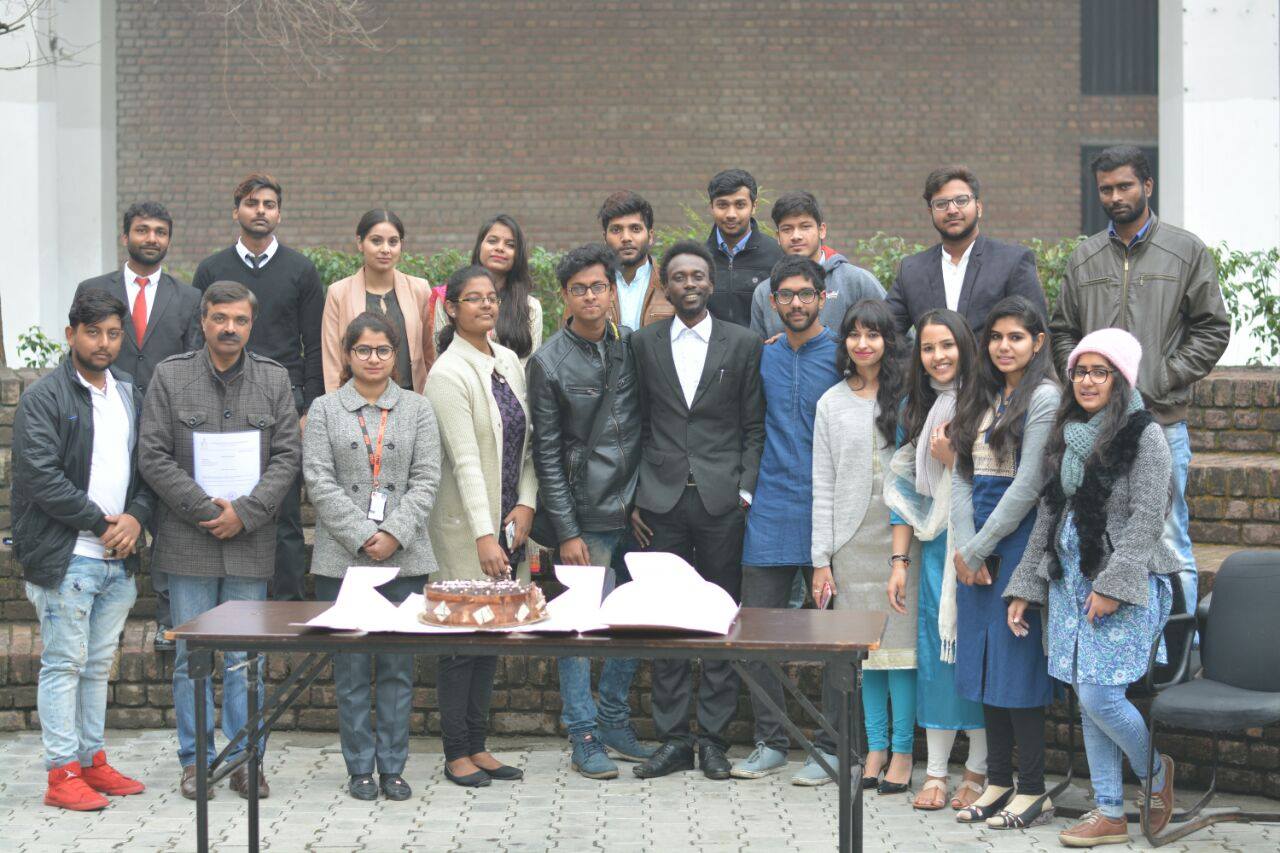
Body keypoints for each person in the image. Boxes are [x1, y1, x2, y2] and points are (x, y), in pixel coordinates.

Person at [1005, 328, 1178, 846]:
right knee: (1086, 696)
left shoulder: (1143, 434)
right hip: (1069, 582)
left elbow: (1149, 517)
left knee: (1102, 695)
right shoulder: (1070, 433)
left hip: (1124, 581)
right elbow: (1048, 515)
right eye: (1080, 370)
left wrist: (1113, 585)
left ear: (1120, 378)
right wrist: (1026, 586)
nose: (1086, 380)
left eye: (1099, 371)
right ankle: (1109, 812)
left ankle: (1154, 775)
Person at [1049, 145, 1230, 616]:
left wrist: (1164, 375)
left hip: (1159, 421)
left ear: (1147, 186)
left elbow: (1213, 326)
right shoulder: (1085, 258)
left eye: (1125, 185)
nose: (1115, 196)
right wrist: (1078, 378)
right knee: (1096, 533)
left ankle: (1174, 653)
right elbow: (1063, 329)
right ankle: (1112, 650)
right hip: (1094, 428)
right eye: (1105, 189)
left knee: (1167, 535)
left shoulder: (1184, 250)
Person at [139, 281, 302, 801]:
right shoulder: (170, 376)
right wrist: (208, 510)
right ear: (203, 320)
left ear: (251, 325)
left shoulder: (273, 381)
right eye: (219, 318)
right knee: (192, 657)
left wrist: (246, 514)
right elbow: (153, 456)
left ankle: (245, 761)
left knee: (243, 659)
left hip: (249, 544)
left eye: (239, 320)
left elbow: (286, 458)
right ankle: (196, 762)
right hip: (189, 542)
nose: (229, 328)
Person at [628, 241, 765, 781]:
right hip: (658, 503)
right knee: (665, 620)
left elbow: (754, 426)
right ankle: (670, 739)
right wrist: (634, 495)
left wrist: (745, 492)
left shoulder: (743, 343)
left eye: (698, 276)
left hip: (720, 503)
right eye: (679, 276)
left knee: (719, 618)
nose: (689, 283)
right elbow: (635, 421)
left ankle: (711, 738)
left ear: (711, 283)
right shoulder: (643, 343)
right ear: (665, 284)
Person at [13, 290, 154, 811]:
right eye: (93, 332)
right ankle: (60, 772)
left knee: (97, 666)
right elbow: (39, 477)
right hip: (66, 554)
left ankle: (92, 762)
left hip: (117, 557)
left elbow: (147, 468)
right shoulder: (44, 397)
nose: (103, 342)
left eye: (113, 333)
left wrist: (136, 518)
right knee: (63, 664)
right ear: (71, 335)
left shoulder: (128, 392)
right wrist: (102, 523)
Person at [526, 244, 653, 780]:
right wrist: (568, 530)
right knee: (578, 631)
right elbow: (547, 454)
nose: (591, 296)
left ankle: (614, 720)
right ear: (565, 296)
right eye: (579, 288)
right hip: (586, 515)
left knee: (634, 625)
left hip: (638, 511)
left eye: (599, 286)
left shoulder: (630, 348)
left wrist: (646, 496)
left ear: (612, 291)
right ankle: (582, 732)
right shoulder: (548, 361)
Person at [304, 311, 442, 802]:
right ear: (348, 355)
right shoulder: (324, 409)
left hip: (404, 559)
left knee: (399, 671)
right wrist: (365, 535)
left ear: (396, 355)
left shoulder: (417, 409)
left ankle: (393, 768)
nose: (374, 359)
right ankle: (359, 767)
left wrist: (394, 533)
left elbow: (428, 479)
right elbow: (318, 480)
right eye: (363, 350)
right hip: (342, 560)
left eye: (383, 350)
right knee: (352, 671)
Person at [948, 296, 1060, 830]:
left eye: (1016, 336)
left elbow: (1030, 485)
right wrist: (966, 544)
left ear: (1037, 342)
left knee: (1018, 667)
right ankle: (997, 782)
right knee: (986, 664)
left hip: (1017, 543)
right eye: (995, 337)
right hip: (976, 541)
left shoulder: (1044, 397)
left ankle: (1034, 789)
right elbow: (961, 475)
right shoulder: (982, 392)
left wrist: (980, 547)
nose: (1003, 346)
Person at [424, 265, 536, 788]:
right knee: (460, 640)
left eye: (491, 298)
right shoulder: (447, 373)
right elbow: (465, 460)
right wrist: (484, 534)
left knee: (490, 636)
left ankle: (480, 744)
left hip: (512, 523)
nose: (486, 306)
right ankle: (455, 753)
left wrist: (527, 505)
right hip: (466, 529)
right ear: (452, 308)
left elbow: (527, 445)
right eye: (473, 299)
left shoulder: (509, 361)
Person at [729, 255, 840, 782]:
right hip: (772, 506)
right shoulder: (762, 355)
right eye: (786, 296)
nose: (796, 303)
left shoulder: (845, 355)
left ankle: (833, 746)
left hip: (834, 515)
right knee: (755, 632)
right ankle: (770, 741)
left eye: (805, 294)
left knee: (837, 638)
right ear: (772, 303)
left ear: (822, 297)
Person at [75, 201, 202, 652]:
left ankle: (169, 625)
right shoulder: (94, 288)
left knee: (168, 526)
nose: (152, 238)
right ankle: (92, 618)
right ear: (125, 235)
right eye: (143, 230)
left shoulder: (188, 297)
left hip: (166, 425)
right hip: (107, 419)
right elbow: (79, 350)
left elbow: (193, 367)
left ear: (169, 239)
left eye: (160, 232)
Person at [191, 173, 322, 603]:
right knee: (223, 496)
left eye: (268, 204)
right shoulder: (212, 269)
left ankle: (284, 604)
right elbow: (198, 339)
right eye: (251, 203)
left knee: (282, 509)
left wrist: (309, 406)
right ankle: (227, 602)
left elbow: (315, 343)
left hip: (282, 399)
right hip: (220, 397)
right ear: (237, 212)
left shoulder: (301, 270)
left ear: (279, 213)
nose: (260, 210)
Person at [883, 309, 989, 811]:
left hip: (976, 549)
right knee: (937, 658)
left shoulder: (988, 400)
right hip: (932, 552)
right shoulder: (915, 405)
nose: (938, 356)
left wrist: (955, 460)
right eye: (928, 347)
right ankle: (937, 771)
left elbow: (1002, 480)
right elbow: (903, 490)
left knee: (974, 658)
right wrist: (899, 562)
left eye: (946, 345)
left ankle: (978, 770)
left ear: (964, 346)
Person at [810, 298, 918, 793]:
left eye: (873, 334)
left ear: (887, 341)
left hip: (901, 539)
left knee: (903, 651)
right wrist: (821, 559)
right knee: (868, 655)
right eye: (854, 334)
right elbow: (822, 485)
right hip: (850, 543)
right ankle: (874, 747)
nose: (863, 344)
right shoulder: (830, 402)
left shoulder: (908, 396)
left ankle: (902, 752)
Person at [886, 166, 1046, 338]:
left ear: (978, 207)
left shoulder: (1012, 262)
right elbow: (885, 334)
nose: (952, 210)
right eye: (941, 204)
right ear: (930, 212)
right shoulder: (912, 270)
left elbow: (1037, 334)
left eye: (961, 200)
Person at [321, 210, 435, 393]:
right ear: (360, 243)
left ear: (401, 245)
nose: (385, 249)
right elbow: (332, 360)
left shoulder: (419, 289)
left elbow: (430, 353)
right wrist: (338, 410)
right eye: (376, 241)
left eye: (393, 242)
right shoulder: (338, 293)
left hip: (412, 400)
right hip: (356, 403)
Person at [749, 191, 885, 339]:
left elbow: (897, 336)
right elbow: (757, 353)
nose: (796, 236)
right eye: (787, 229)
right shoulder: (764, 292)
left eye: (805, 226)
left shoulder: (857, 281)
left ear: (822, 230)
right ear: (778, 237)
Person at [433, 214, 543, 364]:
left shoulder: (530, 307)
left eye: (510, 245)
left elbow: (529, 367)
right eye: (492, 241)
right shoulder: (450, 298)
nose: (500, 248)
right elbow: (442, 355)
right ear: (479, 247)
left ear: (518, 255)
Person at [703, 169, 785, 327]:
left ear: (754, 206)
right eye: (722, 205)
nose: (731, 214)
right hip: (710, 350)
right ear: (711, 207)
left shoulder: (777, 255)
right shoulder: (698, 259)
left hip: (760, 350)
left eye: (740, 205)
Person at [598, 190, 674, 329]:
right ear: (604, 238)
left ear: (650, 236)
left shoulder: (671, 283)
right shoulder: (590, 286)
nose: (626, 237)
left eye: (635, 229)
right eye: (616, 230)